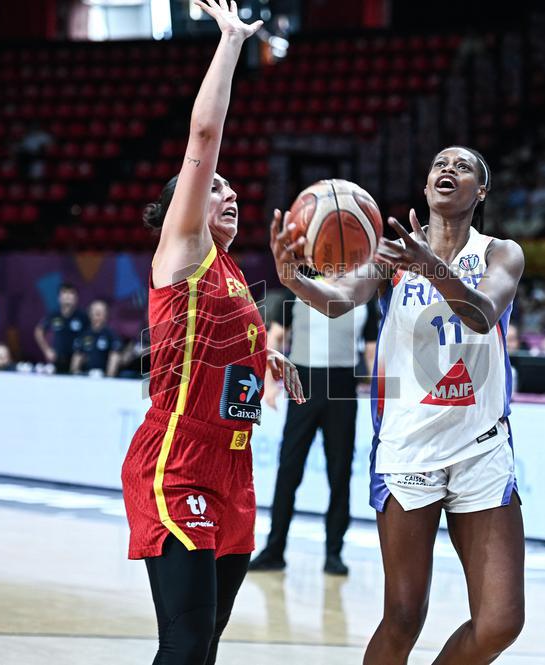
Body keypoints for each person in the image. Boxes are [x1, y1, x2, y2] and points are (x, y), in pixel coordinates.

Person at [271, 145, 526, 664]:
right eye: (439, 164)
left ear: (481, 192)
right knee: (404, 616)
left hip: (481, 449)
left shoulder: (501, 252)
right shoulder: (390, 255)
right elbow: (339, 300)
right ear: (427, 186)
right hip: (409, 447)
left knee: (501, 621)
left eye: (464, 166)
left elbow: (481, 314)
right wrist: (295, 278)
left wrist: (428, 264)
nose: (447, 170)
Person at [119, 4, 303, 664]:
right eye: (213, 187)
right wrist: (229, 43)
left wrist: (270, 361)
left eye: (229, 188)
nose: (226, 193)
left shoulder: (229, 274)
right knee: (187, 640)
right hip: (178, 460)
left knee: (206, 645)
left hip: (236, 465)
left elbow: (223, 355)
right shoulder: (184, 248)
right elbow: (202, 136)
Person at [248, 290, 378, 576]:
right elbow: (275, 339)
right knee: (289, 470)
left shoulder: (362, 300)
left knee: (340, 472)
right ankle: (274, 549)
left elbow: (371, 352)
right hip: (302, 383)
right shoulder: (295, 294)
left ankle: (334, 553)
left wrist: (380, 398)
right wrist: (269, 385)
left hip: (342, 389)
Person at [34, 283, 88, 375]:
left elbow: (90, 336)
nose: (67, 296)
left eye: (71, 293)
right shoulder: (54, 315)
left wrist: (84, 354)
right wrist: (47, 350)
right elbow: (38, 331)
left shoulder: (83, 317)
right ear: (59, 298)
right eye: (64, 293)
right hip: (57, 360)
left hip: (77, 362)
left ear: (76, 298)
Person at [70, 299, 122, 377]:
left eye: (100, 313)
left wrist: (109, 378)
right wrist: (74, 374)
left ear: (106, 315)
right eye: (95, 312)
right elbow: (77, 357)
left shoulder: (111, 335)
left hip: (103, 376)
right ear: (89, 314)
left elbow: (114, 357)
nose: (97, 316)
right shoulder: (83, 335)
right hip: (86, 376)